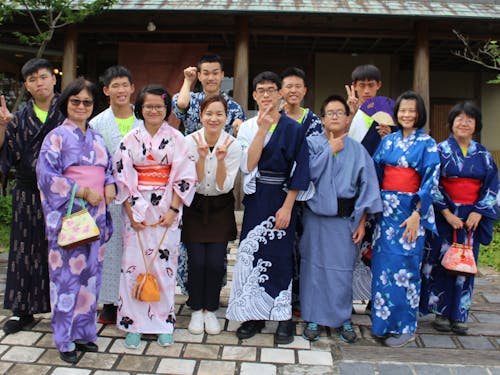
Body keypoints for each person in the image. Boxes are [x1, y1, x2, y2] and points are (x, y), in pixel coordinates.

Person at [226, 71, 310, 345]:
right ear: (253, 95)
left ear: (279, 94)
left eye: (271, 90)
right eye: (260, 90)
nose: (265, 95)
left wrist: (288, 207)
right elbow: (247, 166)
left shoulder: (295, 128)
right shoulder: (248, 127)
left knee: (281, 255)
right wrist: (262, 130)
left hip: (282, 196)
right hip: (257, 197)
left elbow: (300, 171)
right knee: (253, 253)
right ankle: (253, 315)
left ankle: (283, 317)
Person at [36, 77, 115, 363]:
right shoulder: (56, 136)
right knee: (66, 279)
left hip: (97, 211)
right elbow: (46, 177)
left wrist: (109, 184)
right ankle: (64, 337)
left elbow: (107, 170)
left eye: (87, 102)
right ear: (66, 103)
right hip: (70, 213)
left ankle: (84, 332)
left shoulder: (96, 137)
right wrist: (81, 190)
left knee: (90, 276)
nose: (82, 106)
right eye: (76, 101)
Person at [114, 85, 196, 349]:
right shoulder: (129, 139)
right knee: (134, 266)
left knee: (163, 267)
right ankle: (133, 323)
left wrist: (173, 210)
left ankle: (163, 323)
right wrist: (130, 212)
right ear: (140, 108)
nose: (153, 111)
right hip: (136, 210)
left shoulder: (177, 138)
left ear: (166, 110)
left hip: (166, 210)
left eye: (159, 107)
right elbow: (122, 177)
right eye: (148, 106)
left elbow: (185, 176)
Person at [300, 95, 382, 343]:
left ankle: (343, 318)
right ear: (322, 119)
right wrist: (329, 151)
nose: (335, 117)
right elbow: (304, 175)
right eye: (329, 113)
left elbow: (368, 187)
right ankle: (312, 316)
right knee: (313, 268)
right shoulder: (312, 143)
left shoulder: (357, 150)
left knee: (342, 270)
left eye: (340, 112)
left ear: (348, 119)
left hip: (345, 220)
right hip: (315, 217)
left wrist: (361, 222)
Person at [420, 101, 498, 335]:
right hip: (446, 217)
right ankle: (441, 312)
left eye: (469, 119)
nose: (464, 123)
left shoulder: (484, 155)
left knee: (466, 264)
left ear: (476, 125)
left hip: (471, 219)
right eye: (459, 119)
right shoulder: (440, 150)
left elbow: (493, 187)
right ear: (451, 123)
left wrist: (479, 211)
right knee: (442, 261)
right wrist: (445, 212)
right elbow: (431, 183)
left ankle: (460, 314)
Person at [0, 58, 65, 335]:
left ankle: (65, 309)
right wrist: (3, 126)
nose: (39, 83)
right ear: (26, 86)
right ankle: (21, 310)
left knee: (63, 250)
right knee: (24, 249)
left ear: (53, 78)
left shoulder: (68, 110)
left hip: (63, 193)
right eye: (32, 79)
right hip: (27, 192)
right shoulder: (18, 117)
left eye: (43, 77)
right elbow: (5, 156)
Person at [371, 91, 440, 347]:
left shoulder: (428, 143)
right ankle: (381, 324)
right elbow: (374, 172)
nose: (407, 115)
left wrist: (417, 214)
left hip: (410, 214)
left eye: (412, 111)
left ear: (419, 113)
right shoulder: (388, 142)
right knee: (382, 270)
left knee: (406, 270)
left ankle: (405, 327)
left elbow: (430, 181)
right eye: (402, 110)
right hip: (385, 213)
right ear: (396, 113)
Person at [183, 95, 241, 335]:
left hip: (220, 207)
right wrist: (200, 157)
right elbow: (190, 183)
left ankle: (212, 309)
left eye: (219, 114)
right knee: (197, 262)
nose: (214, 118)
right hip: (195, 206)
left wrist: (217, 159)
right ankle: (197, 309)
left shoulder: (233, 145)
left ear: (226, 117)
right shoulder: (188, 142)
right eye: (209, 114)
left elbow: (224, 186)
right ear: (200, 116)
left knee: (216, 263)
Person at [89, 65, 142, 324]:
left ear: (133, 88)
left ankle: (134, 298)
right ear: (106, 90)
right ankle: (109, 302)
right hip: (108, 195)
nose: (121, 90)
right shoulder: (96, 123)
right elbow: (92, 162)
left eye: (125, 85)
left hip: (141, 197)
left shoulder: (144, 120)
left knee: (137, 248)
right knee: (109, 249)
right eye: (115, 86)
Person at [346, 64, 393, 307]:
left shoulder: (391, 115)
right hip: (356, 189)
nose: (366, 90)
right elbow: (345, 148)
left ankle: (376, 298)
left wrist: (390, 137)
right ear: (353, 87)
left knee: (378, 246)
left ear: (379, 86)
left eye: (370, 85)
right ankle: (353, 295)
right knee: (353, 243)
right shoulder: (352, 115)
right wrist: (353, 114)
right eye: (361, 85)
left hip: (384, 191)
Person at [279, 67, 323, 314]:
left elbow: (315, 157)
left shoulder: (314, 120)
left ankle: (299, 298)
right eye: (288, 86)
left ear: (305, 91)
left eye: (298, 86)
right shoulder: (274, 116)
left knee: (302, 246)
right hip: (276, 189)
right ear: (281, 91)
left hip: (304, 194)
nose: (293, 91)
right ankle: (278, 293)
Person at [172, 53, 245, 136]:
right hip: (192, 147)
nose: (211, 78)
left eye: (215, 73)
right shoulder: (191, 99)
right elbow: (182, 104)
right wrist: (188, 81)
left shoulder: (234, 108)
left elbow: (241, 135)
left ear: (222, 75)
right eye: (206, 73)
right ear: (199, 76)